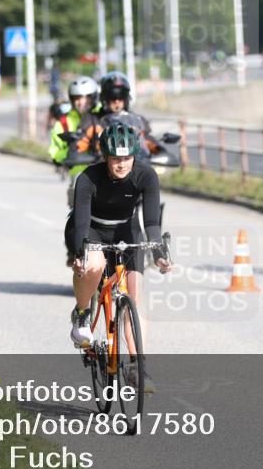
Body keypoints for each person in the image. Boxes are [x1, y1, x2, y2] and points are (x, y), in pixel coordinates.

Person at [65, 122, 171, 390]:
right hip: (90, 228)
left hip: (125, 228)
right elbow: (80, 221)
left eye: (126, 158)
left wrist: (159, 253)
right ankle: (81, 313)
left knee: (135, 294)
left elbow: (152, 222)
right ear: (105, 157)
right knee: (94, 265)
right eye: (115, 159)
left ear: (134, 156)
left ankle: (137, 367)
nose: (121, 164)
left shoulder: (146, 176)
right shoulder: (88, 178)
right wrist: (80, 253)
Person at [76, 72, 163, 158]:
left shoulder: (138, 120)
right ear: (105, 98)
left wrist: (160, 150)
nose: (117, 101)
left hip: (136, 163)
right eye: (112, 97)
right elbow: (80, 144)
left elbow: (148, 140)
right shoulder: (92, 120)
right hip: (103, 164)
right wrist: (78, 153)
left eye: (121, 96)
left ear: (126, 98)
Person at [48, 76, 101, 204]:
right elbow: (54, 151)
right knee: (78, 206)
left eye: (87, 97)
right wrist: (70, 154)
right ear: (72, 99)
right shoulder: (63, 122)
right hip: (79, 175)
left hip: (106, 171)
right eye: (77, 98)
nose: (82, 102)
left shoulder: (103, 115)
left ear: (94, 97)